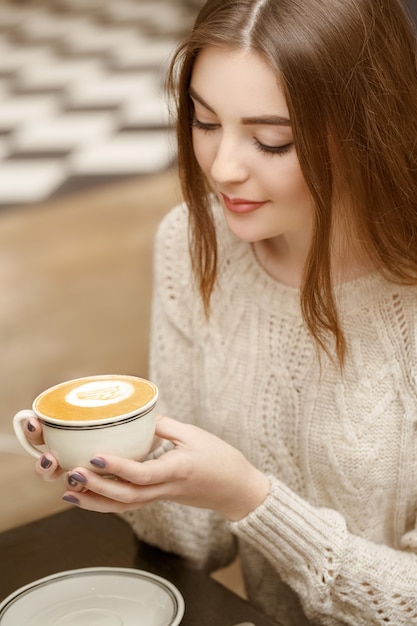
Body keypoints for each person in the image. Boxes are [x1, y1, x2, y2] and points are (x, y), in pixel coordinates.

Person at [24, 0, 417, 624]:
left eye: (272, 140)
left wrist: (251, 497)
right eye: (205, 123)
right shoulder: (193, 243)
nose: (223, 168)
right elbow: (198, 545)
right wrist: (125, 471)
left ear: (372, 127)